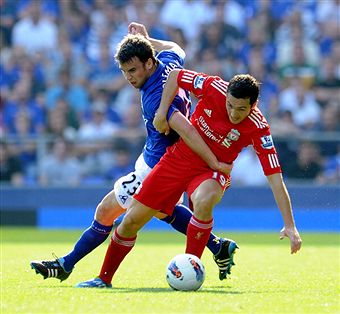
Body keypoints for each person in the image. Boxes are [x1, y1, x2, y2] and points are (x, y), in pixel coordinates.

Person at [30, 23, 237, 287]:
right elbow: (176, 47)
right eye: (124, 71)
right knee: (166, 212)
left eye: (133, 70)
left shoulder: (154, 98)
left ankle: (70, 266)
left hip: (157, 167)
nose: (129, 77)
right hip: (155, 159)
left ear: (149, 64)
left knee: (109, 212)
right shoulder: (167, 62)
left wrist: (212, 162)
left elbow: (184, 127)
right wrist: (150, 40)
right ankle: (218, 246)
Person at [76, 69, 302, 288]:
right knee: (129, 223)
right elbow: (175, 76)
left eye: (241, 109)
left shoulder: (259, 127)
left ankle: (190, 270)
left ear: (254, 105)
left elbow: (275, 179)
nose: (233, 113)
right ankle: (103, 279)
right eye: (230, 105)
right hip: (177, 159)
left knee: (205, 200)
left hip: (212, 171)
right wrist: (162, 112)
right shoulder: (213, 87)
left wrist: (290, 226)